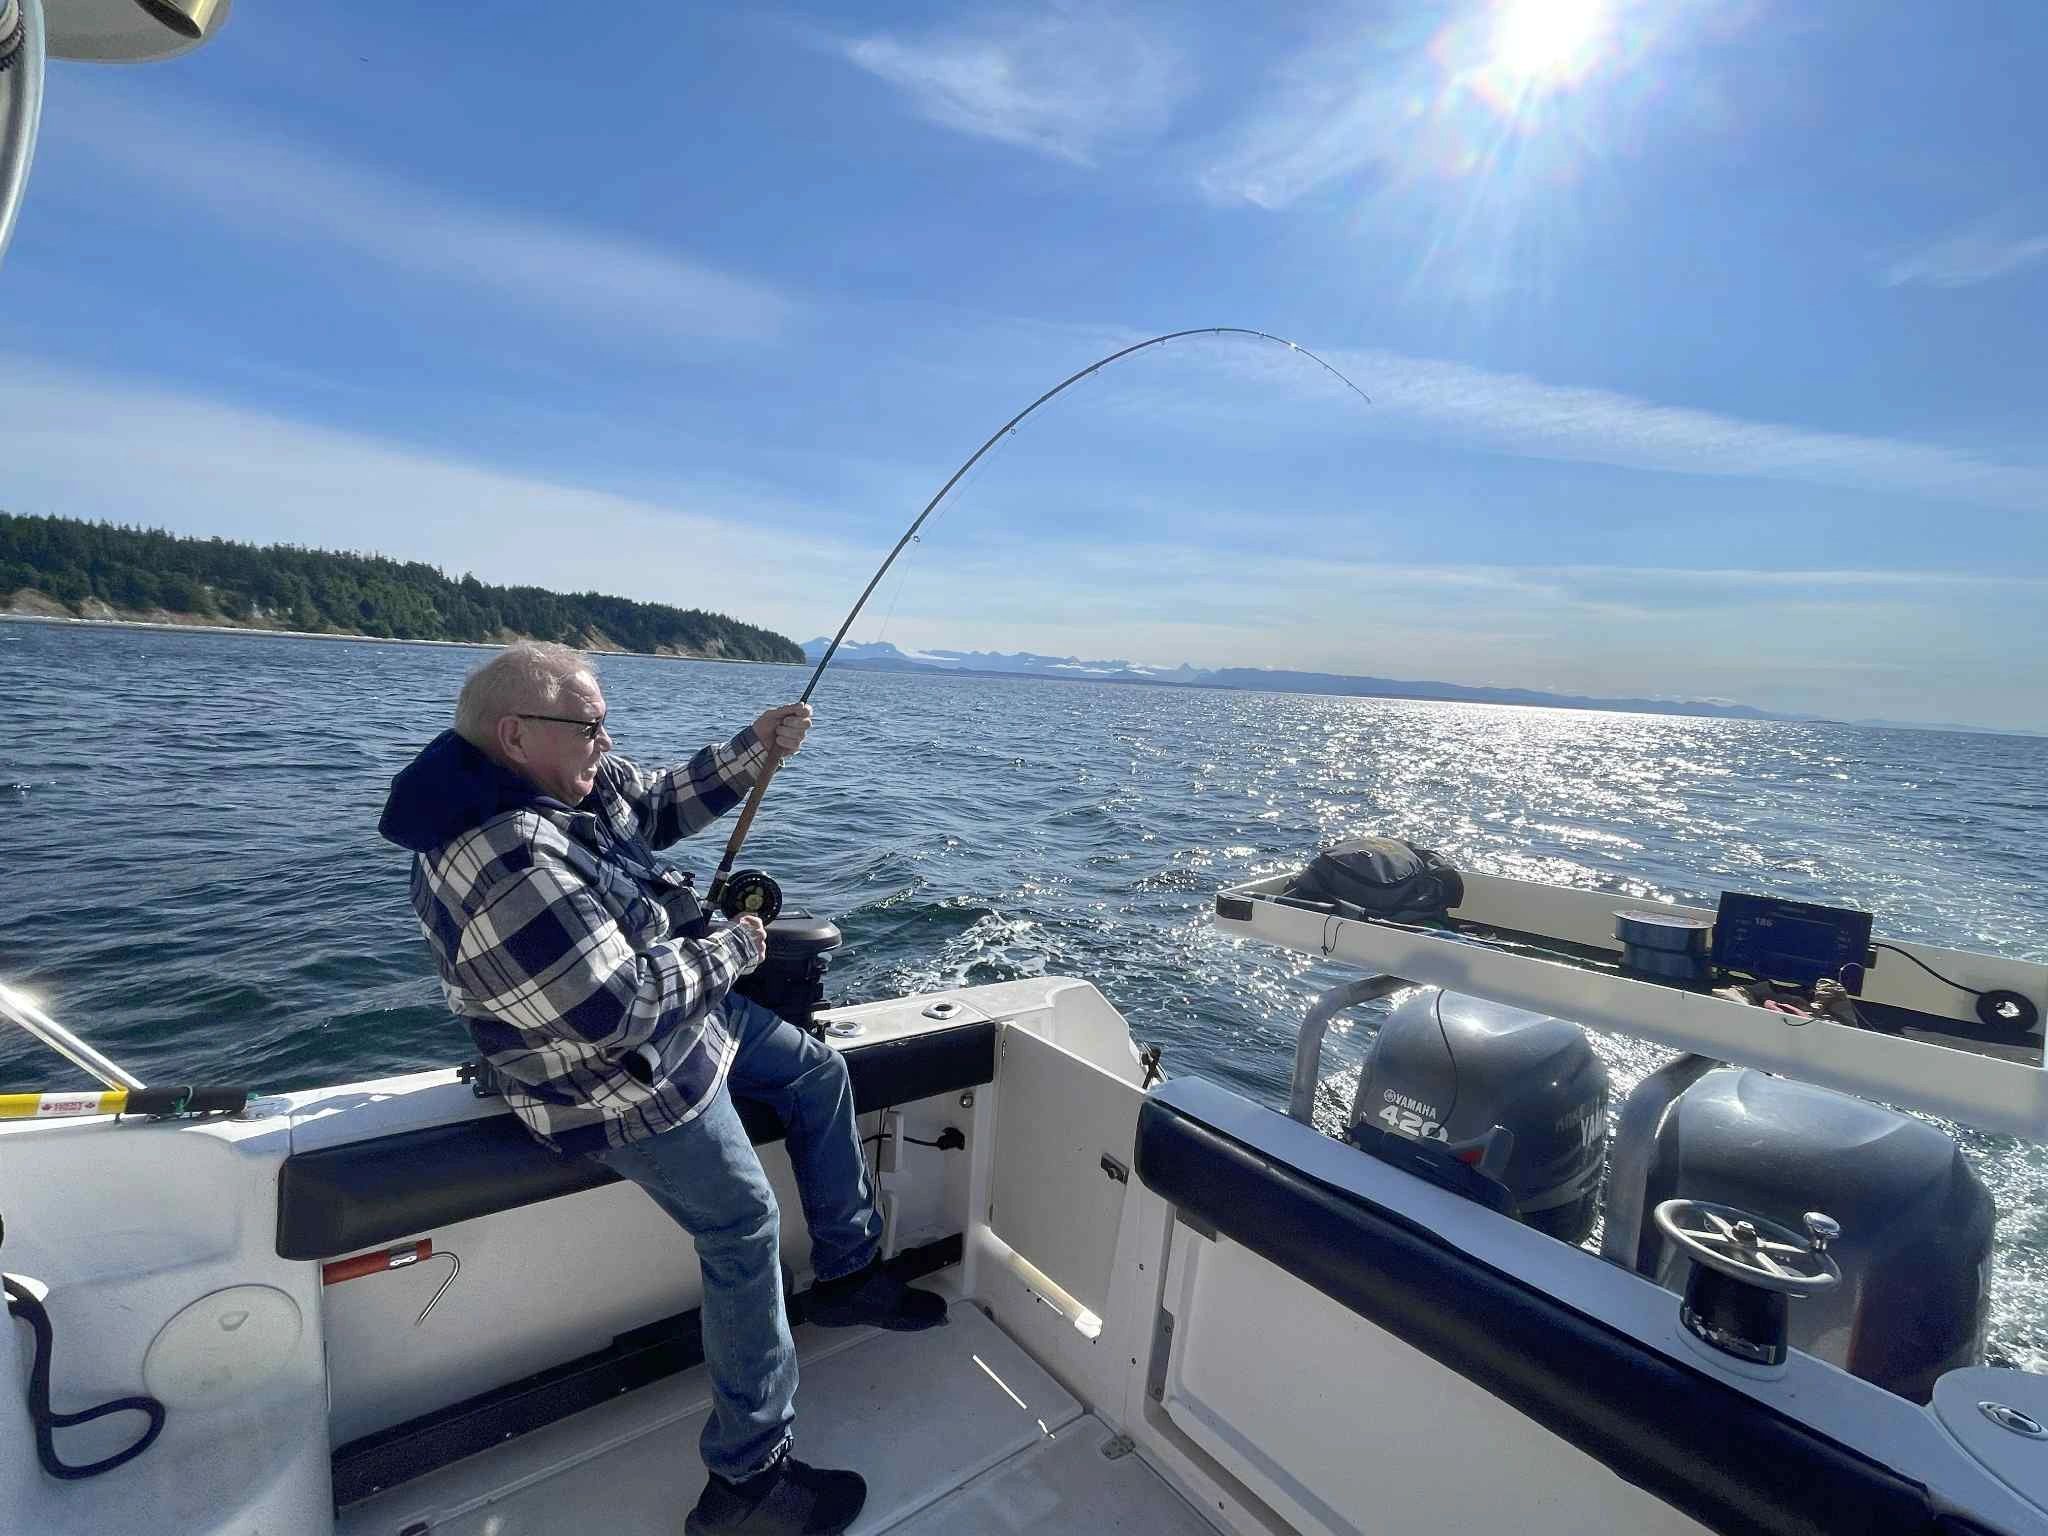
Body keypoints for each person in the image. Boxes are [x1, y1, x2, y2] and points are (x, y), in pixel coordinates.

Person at [378, 640, 943, 1536]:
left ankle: (847, 1274)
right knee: (743, 1225)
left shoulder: (560, 782)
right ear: (517, 734)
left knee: (816, 1070)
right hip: (614, 1083)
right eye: (591, 726)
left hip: (689, 1025)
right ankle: (749, 1481)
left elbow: (658, 803)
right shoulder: (505, 860)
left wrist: (755, 746)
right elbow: (615, 1009)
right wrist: (739, 945)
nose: (608, 742)